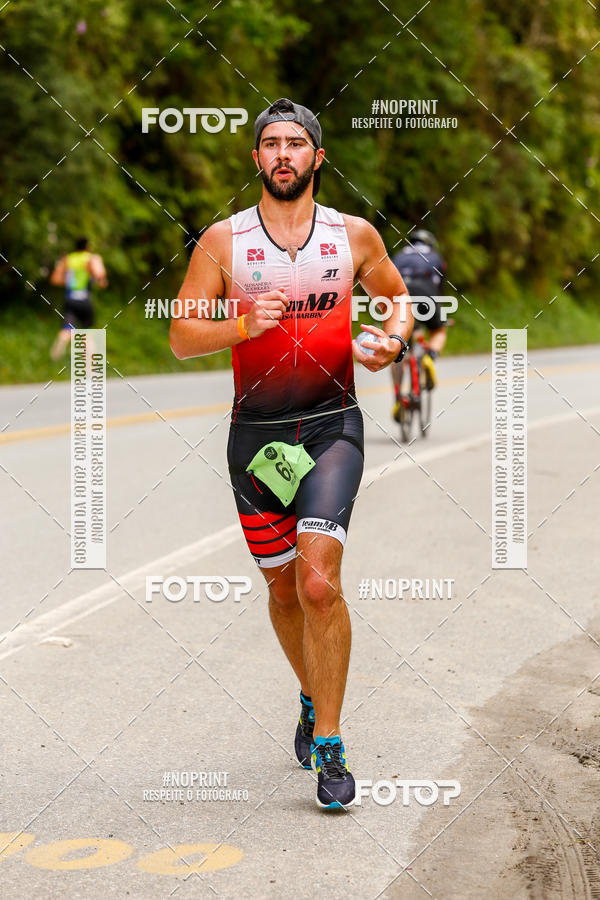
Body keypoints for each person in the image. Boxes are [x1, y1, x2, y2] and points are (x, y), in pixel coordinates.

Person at [170, 98, 413, 810]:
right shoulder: (223, 242)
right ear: (255, 159)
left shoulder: (354, 234)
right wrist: (242, 322)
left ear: (317, 158)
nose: (283, 154)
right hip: (257, 439)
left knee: (316, 585)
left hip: (332, 424)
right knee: (281, 590)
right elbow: (182, 335)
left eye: (295, 143)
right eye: (270, 143)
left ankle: (331, 742)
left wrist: (390, 341)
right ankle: (310, 694)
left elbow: (397, 300)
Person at [390, 230, 447, 418]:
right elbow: (439, 289)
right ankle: (430, 356)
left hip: (401, 295)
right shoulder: (435, 257)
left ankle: (398, 399)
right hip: (426, 293)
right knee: (438, 331)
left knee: (396, 347)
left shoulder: (398, 256)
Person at [49, 237, 107, 359]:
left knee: (67, 328)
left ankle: (56, 354)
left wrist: (70, 281)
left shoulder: (68, 259)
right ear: (88, 247)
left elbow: (55, 279)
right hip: (84, 300)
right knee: (87, 332)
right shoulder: (91, 258)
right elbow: (100, 275)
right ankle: (90, 366)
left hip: (70, 299)